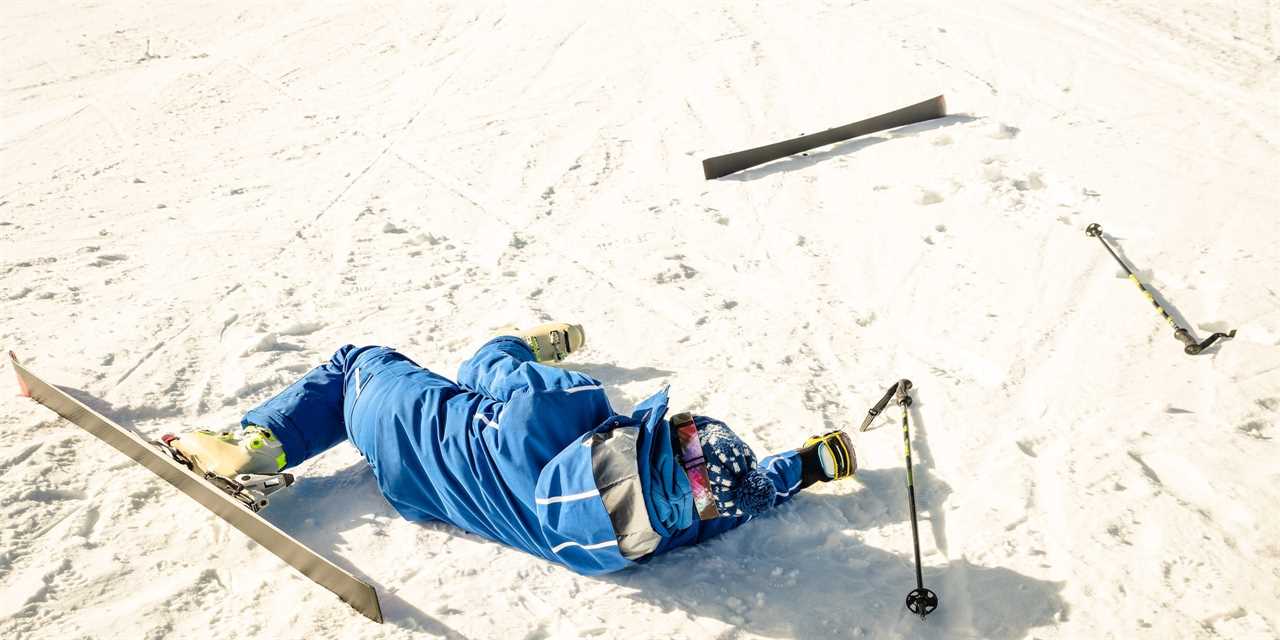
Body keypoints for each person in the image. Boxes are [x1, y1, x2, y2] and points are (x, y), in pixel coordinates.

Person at [169, 323, 857, 575]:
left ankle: (254, 444)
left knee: (359, 360)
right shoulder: (644, 543)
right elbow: (746, 497)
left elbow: (481, 365)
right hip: (414, 492)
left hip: (395, 421)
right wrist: (806, 464)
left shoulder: (568, 409)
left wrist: (532, 346)